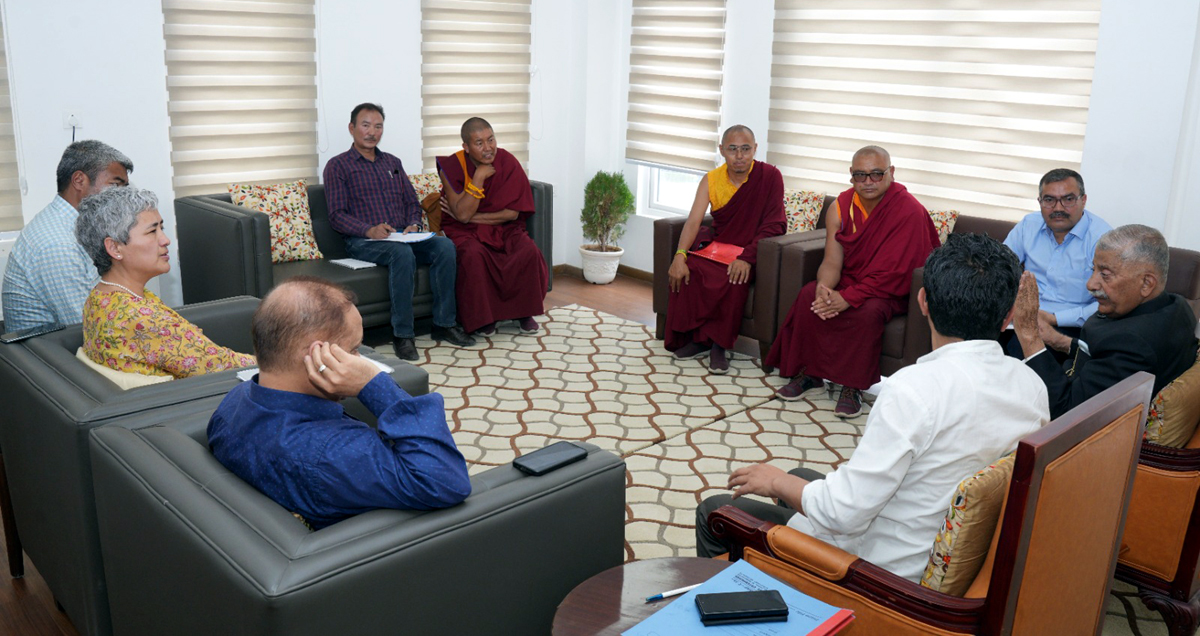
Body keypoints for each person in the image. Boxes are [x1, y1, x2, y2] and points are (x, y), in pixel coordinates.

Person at [696, 234, 1050, 582]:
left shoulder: (913, 390)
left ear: (923, 301)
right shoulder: (1031, 386)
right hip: (940, 549)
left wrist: (774, 481)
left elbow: (841, 515)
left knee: (716, 512)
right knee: (802, 476)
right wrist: (786, 482)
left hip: (881, 572)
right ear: (1007, 317)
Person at [207, 277, 471, 530]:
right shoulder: (333, 454)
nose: (362, 361)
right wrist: (375, 385)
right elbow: (447, 480)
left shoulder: (232, 404)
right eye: (354, 349)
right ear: (316, 355)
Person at [766, 146, 939, 417]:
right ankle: (810, 373)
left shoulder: (909, 211)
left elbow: (899, 273)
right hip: (852, 280)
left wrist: (848, 298)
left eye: (876, 174)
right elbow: (833, 261)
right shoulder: (841, 206)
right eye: (861, 175)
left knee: (866, 312)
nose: (868, 182)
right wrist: (825, 290)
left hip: (888, 291)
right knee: (808, 296)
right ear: (851, 176)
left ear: (891, 173)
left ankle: (852, 387)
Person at [323, 102, 475, 362]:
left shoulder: (393, 163)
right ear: (352, 128)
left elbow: (410, 202)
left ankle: (444, 324)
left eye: (378, 126)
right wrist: (369, 230)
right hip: (363, 241)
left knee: (445, 247)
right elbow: (337, 216)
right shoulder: (338, 166)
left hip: (402, 237)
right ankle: (403, 335)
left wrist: (414, 224)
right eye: (366, 125)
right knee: (401, 254)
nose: (372, 132)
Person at [1015, 224, 1199, 419]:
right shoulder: (1176, 306)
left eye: (1105, 274)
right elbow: (1104, 358)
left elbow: (1065, 413)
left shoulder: (1132, 345)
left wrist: (1030, 337)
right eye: (1093, 270)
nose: (1091, 284)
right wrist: (1058, 341)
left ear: (1146, 283)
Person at [74, 187, 255, 377]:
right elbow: (222, 366)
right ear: (114, 247)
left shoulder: (99, 297)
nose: (165, 240)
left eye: (162, 228)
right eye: (152, 231)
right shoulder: (142, 320)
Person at [664, 125, 785, 374]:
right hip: (720, 247)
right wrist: (679, 256)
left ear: (755, 149)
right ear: (721, 150)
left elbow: (775, 225)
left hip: (753, 251)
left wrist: (748, 258)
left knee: (733, 274)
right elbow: (694, 221)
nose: (739, 155)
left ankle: (719, 345)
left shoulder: (770, 176)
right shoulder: (712, 179)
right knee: (692, 268)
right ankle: (699, 339)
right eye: (732, 149)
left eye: (745, 149)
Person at [2, 140, 132, 331]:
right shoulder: (57, 244)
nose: (121, 197)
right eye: (115, 186)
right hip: (54, 354)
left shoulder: (77, 223)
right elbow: (88, 327)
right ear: (79, 181)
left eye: (124, 189)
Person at [436, 117, 547, 335]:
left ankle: (523, 312)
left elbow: (511, 213)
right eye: (479, 143)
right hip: (464, 233)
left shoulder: (508, 162)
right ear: (466, 147)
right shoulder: (451, 167)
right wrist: (478, 178)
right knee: (472, 254)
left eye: (491, 139)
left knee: (527, 251)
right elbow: (461, 218)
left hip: (505, 228)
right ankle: (483, 318)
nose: (488, 148)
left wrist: (468, 216)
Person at [1002, 169, 1112, 358]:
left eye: (1068, 199)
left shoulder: (1102, 239)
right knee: (975, 342)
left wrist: (1053, 318)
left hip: (1072, 326)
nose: (1058, 208)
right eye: (1049, 200)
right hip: (1022, 316)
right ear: (1040, 202)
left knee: (1016, 357)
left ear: (1083, 200)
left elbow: (1110, 301)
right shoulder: (1029, 225)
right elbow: (999, 269)